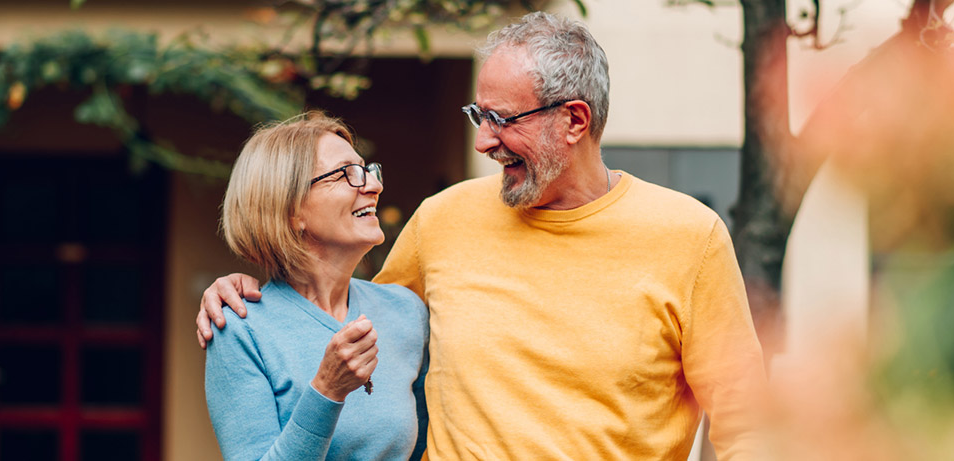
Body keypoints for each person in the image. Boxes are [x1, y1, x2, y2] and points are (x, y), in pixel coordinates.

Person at [198, 12, 767, 460]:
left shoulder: (689, 237)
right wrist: (246, 286)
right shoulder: (442, 219)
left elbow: (749, 423)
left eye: (503, 120)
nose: (483, 142)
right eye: (479, 115)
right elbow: (341, 314)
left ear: (574, 120)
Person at [203, 111, 430, 461]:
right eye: (347, 174)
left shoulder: (406, 312)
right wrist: (327, 390)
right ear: (291, 210)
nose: (373, 185)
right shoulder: (239, 328)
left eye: (368, 170)